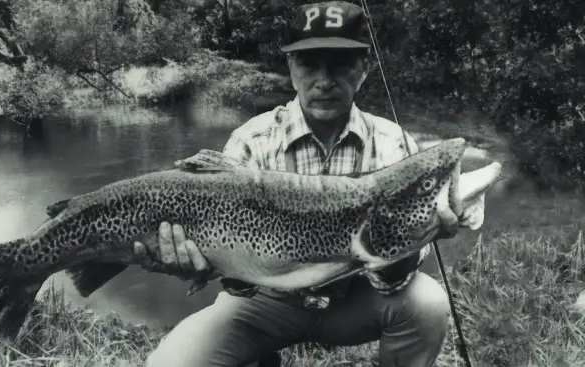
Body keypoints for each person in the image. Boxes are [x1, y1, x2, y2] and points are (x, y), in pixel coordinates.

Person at [136, 2, 478, 366]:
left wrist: (411, 243)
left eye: (340, 64)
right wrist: (202, 261)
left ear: (363, 68)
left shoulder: (396, 145)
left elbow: (394, 280)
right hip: (264, 304)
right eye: (310, 63)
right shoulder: (252, 140)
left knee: (427, 303)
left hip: (356, 301)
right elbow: (238, 286)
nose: (324, 80)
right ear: (291, 67)